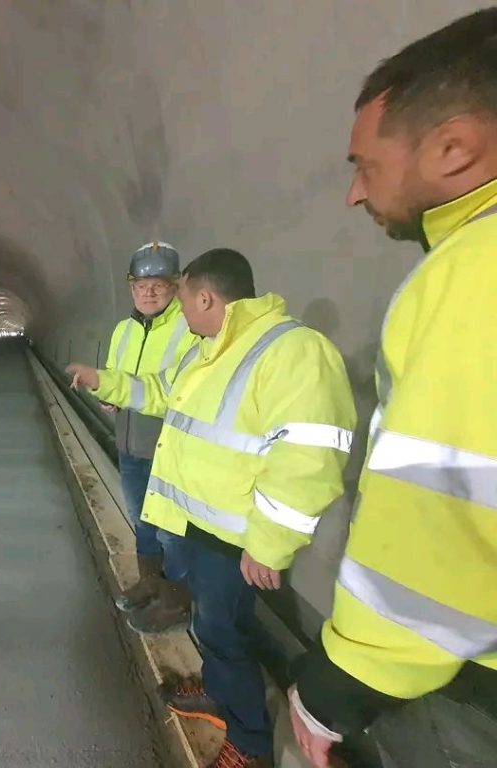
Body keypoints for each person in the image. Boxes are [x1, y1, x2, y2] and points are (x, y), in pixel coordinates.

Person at [289, 9, 497, 768]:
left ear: (452, 148)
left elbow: (445, 501)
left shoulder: (475, 271)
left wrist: (346, 678)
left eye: (365, 165)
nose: (354, 193)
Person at [67, 248, 356, 768]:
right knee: (210, 625)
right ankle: (219, 690)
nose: (178, 309)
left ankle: (248, 743)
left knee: (225, 631)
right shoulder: (210, 350)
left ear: (204, 297)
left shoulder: (292, 351)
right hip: (196, 525)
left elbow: (309, 459)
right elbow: (161, 395)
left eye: (181, 298)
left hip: (234, 535)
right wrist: (103, 381)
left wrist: (269, 545)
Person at [103, 242, 197, 633]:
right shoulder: (123, 330)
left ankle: (174, 601)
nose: (148, 293)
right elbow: (113, 375)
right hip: (129, 442)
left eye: (158, 285)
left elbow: (182, 390)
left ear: (176, 286)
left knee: (171, 529)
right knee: (141, 519)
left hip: (168, 446)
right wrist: (109, 395)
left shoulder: (189, 328)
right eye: (140, 286)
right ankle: (149, 583)